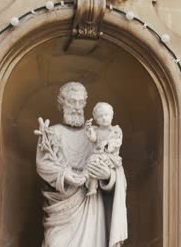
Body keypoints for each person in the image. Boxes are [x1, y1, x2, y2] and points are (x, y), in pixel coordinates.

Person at [34, 82, 128, 247]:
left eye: (80, 102)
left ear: (85, 103)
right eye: (71, 102)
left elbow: (114, 164)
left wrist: (107, 176)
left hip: (90, 203)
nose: (76, 107)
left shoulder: (95, 134)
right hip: (62, 205)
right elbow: (43, 164)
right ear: (61, 104)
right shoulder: (52, 132)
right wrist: (64, 175)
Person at [84, 102, 123, 196]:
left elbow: (117, 142)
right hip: (98, 156)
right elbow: (93, 139)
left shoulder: (115, 130)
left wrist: (107, 143)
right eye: (100, 116)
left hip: (110, 157)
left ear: (112, 115)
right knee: (92, 163)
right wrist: (89, 130)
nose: (104, 118)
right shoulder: (96, 130)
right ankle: (92, 186)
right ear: (96, 119)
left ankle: (92, 186)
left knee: (94, 160)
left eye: (106, 115)